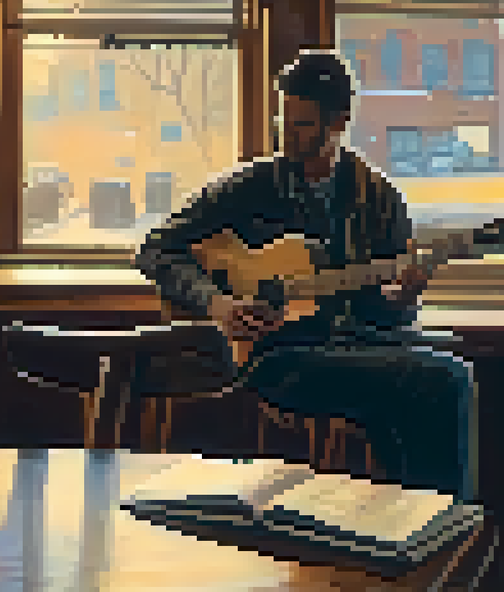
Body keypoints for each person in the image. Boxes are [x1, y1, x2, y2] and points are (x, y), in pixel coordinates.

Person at [136, 49, 477, 500]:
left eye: (301, 125)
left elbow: (386, 312)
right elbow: (156, 249)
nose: (286, 136)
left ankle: (417, 524)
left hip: (358, 346)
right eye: (284, 122)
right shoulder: (251, 187)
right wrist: (217, 303)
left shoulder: (378, 199)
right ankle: (432, 524)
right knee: (440, 380)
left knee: (457, 372)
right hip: (277, 355)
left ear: (337, 124)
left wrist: (404, 297)